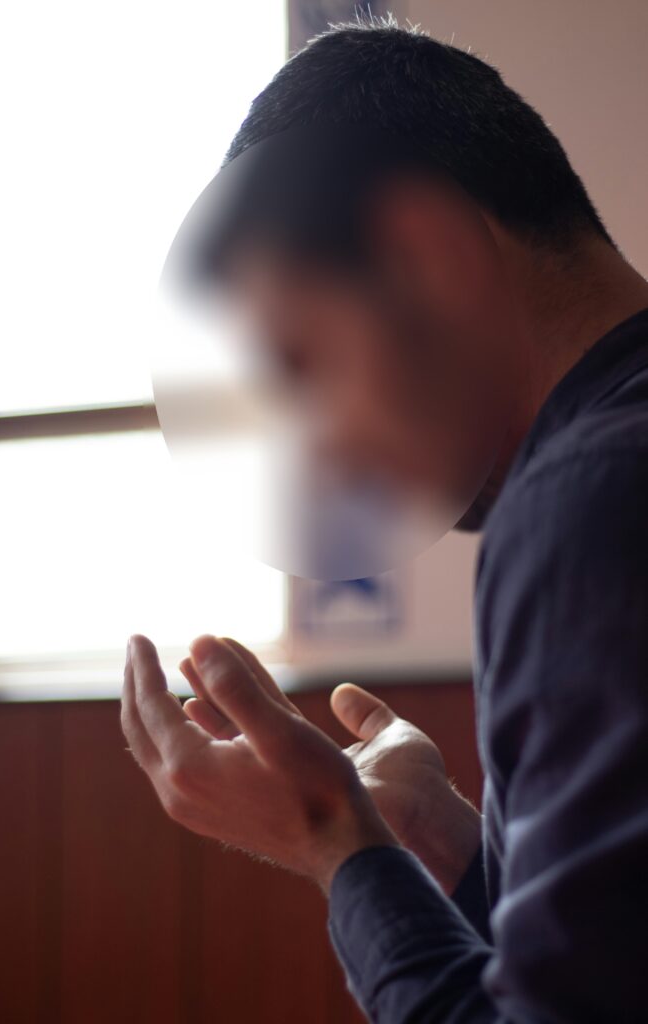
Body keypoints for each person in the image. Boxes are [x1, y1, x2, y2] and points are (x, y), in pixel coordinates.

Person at [121, 18, 648, 1023]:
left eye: (301, 361)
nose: (324, 455)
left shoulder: (581, 504)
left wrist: (331, 835)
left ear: (426, 250)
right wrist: (447, 843)